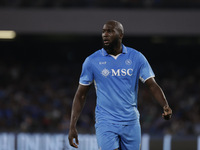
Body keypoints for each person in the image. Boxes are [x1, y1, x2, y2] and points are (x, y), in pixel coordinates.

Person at [68, 20, 172, 150]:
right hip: (105, 122)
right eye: (103, 31)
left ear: (121, 35)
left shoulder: (136, 57)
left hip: (131, 122)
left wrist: (165, 105)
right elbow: (80, 95)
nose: (105, 34)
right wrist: (72, 126)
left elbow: (152, 85)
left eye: (110, 31)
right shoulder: (92, 61)